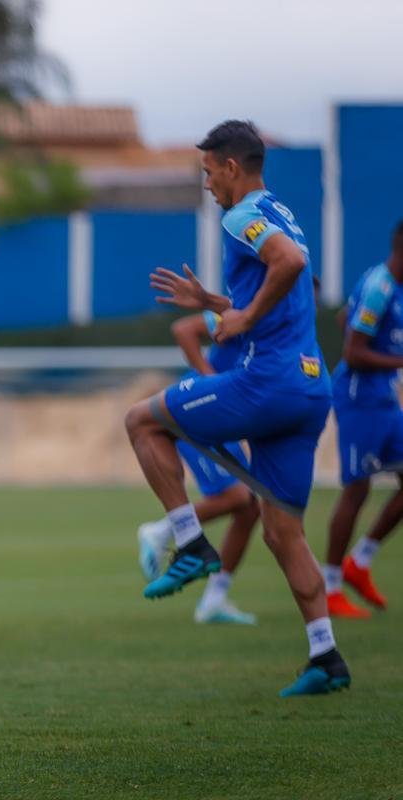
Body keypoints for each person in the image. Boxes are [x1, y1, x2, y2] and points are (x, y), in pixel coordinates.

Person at [125, 119, 348, 696]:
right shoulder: (282, 212)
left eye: (208, 172)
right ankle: (325, 655)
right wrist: (216, 301)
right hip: (310, 387)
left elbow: (288, 264)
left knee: (142, 420)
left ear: (230, 167)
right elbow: (289, 275)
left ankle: (189, 541)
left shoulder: (239, 214)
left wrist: (243, 317)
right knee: (283, 532)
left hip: (268, 383)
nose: (207, 184)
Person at [137, 309, 260, 625]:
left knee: (250, 509)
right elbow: (184, 329)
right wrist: (211, 380)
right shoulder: (243, 310)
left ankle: (214, 600)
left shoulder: (284, 326)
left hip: (223, 418)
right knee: (238, 497)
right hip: (199, 409)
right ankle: (161, 531)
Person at [325, 237, 403, 617]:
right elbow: (353, 352)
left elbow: (344, 318)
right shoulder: (380, 288)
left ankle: (360, 561)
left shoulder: (388, 284)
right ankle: (329, 587)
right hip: (358, 399)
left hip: (383, 399)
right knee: (357, 489)